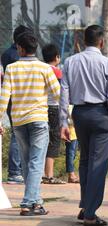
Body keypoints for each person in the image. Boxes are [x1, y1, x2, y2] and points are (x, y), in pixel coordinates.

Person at [59, 25, 108, 226]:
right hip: (102, 114)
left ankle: (86, 206)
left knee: (85, 160)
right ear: (101, 42)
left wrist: (63, 121)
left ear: (83, 40)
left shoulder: (70, 62)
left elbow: (64, 93)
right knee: (98, 164)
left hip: (79, 114)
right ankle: (90, 213)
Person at [0, 32, 60, 216]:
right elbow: (57, 93)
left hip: (18, 121)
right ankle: (27, 203)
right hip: (38, 119)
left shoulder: (11, 68)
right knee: (35, 162)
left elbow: (5, 96)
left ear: (20, 48)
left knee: (27, 163)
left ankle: (36, 202)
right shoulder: (44, 68)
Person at [1, 25, 32, 185]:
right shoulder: (16, 56)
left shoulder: (7, 53)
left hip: (12, 97)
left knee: (18, 132)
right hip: (18, 98)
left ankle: (17, 170)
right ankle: (14, 171)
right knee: (17, 133)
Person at [41, 44, 66, 185]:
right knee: (54, 140)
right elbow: (61, 92)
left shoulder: (41, 69)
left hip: (42, 108)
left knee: (42, 139)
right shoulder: (57, 72)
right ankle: (49, 175)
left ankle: (42, 173)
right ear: (57, 57)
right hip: (54, 108)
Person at [66, 106, 79, 184]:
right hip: (70, 131)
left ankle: (72, 174)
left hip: (75, 131)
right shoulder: (69, 104)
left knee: (73, 154)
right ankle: (71, 174)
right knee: (70, 153)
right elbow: (70, 117)